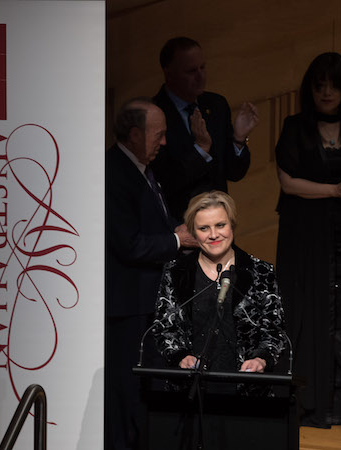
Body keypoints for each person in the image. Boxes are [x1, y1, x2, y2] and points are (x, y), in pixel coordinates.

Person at [274, 51, 341, 426]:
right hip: (306, 233)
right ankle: (313, 401)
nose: (325, 93)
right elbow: (288, 183)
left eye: (332, 86)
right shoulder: (295, 126)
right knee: (311, 306)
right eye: (319, 86)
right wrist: (335, 190)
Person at [105, 98, 195, 450]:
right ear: (134, 134)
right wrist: (178, 240)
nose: (165, 142)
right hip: (127, 306)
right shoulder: (115, 172)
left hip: (146, 302)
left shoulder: (142, 168)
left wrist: (180, 232)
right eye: (158, 134)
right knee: (127, 392)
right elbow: (128, 243)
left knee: (145, 391)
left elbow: (153, 223)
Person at [152, 190, 286, 382]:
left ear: (232, 225)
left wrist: (261, 359)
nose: (214, 235)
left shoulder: (260, 271)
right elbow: (164, 328)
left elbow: (274, 331)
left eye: (220, 225)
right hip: (190, 387)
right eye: (204, 228)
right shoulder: (176, 272)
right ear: (193, 232)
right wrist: (180, 356)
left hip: (246, 388)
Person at [152, 37, 257, 220]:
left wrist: (239, 139)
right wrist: (200, 150)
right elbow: (165, 181)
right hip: (179, 224)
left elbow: (234, 173)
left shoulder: (216, 105)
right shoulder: (154, 114)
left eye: (202, 67)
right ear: (169, 73)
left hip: (218, 221)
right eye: (191, 71)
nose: (200, 76)